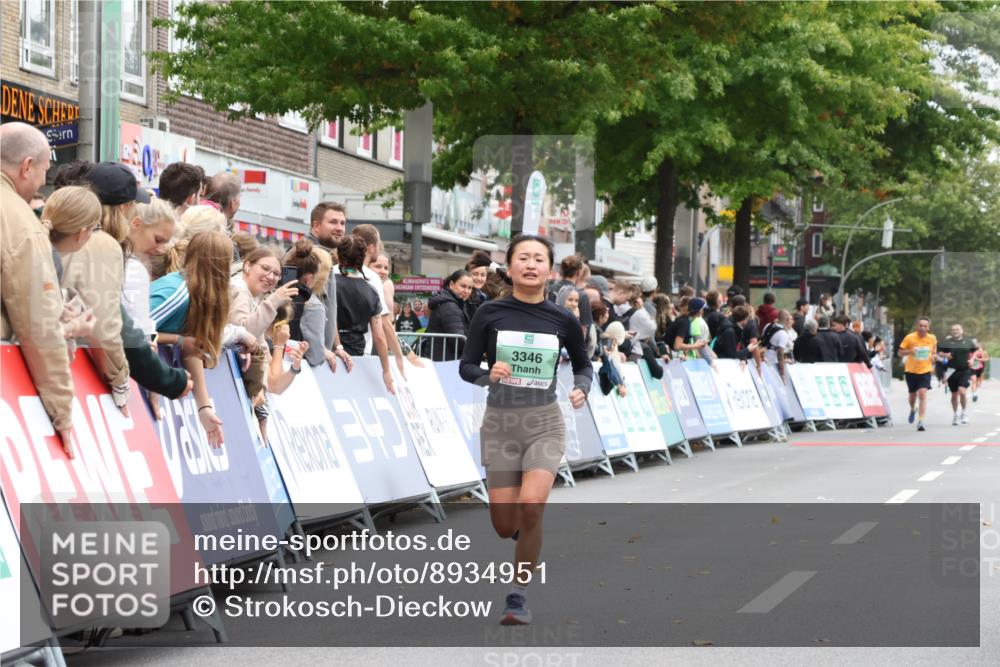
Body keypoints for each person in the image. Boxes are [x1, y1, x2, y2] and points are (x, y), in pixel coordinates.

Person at [459, 234, 591, 626]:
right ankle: (522, 536)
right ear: (511, 266)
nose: (531, 265)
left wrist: (582, 387)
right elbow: (466, 366)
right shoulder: (490, 313)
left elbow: (584, 364)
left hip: (544, 422)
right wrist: (488, 375)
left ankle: (517, 596)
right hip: (500, 423)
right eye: (523, 258)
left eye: (539, 259)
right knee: (505, 526)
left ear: (549, 269)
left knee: (532, 507)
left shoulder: (563, 318)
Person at [1, 123, 75, 455]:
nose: (43, 181)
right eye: (45, 170)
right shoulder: (18, 223)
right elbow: (39, 323)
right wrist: (62, 411)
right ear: (27, 166)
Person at [150, 231, 235, 446]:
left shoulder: (201, 294)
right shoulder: (177, 292)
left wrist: (204, 408)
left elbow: (193, 349)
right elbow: (130, 330)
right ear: (221, 265)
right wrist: (177, 340)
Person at [229, 246, 298, 410]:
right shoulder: (238, 290)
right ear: (247, 266)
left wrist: (260, 389)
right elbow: (243, 333)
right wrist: (273, 301)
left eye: (276, 274)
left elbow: (259, 345)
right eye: (265, 268)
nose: (271, 277)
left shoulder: (254, 297)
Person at [345, 224, 409, 375]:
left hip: (338, 348)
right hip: (360, 349)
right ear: (372, 247)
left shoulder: (336, 270)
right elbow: (383, 323)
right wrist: (400, 358)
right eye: (379, 245)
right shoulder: (371, 278)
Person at [334, 236, 394, 394]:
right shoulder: (371, 291)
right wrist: (386, 370)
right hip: (358, 350)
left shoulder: (330, 284)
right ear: (362, 260)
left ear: (339, 256)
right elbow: (379, 336)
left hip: (333, 349)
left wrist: (338, 346)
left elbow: (329, 319)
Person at [41, 187, 101, 340]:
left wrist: (58, 308)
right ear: (81, 234)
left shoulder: (38, 248)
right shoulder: (50, 259)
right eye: (94, 229)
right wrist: (74, 327)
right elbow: (38, 329)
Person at [305, 202, 352, 373]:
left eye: (342, 223)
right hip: (306, 359)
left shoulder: (323, 254)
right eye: (333, 222)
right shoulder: (308, 254)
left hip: (319, 355)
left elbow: (328, 308)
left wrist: (337, 346)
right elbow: (302, 306)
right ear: (316, 225)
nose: (340, 228)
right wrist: (320, 348)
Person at [121, 198, 177, 335]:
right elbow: (137, 329)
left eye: (164, 243)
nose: (160, 249)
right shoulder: (133, 268)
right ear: (136, 223)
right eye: (157, 240)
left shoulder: (130, 263)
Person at [424, 269, 474, 361]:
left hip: (443, 359)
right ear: (451, 284)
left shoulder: (455, 303)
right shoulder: (450, 306)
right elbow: (458, 341)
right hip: (445, 361)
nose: (467, 291)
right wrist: (478, 350)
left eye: (470, 288)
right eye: (463, 286)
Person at [898, 316, 937, 432]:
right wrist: (910, 351)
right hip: (911, 370)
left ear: (928, 328)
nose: (922, 328)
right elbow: (900, 353)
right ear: (917, 326)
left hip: (925, 370)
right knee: (912, 396)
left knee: (922, 393)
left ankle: (920, 421)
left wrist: (934, 357)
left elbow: (934, 352)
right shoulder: (910, 338)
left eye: (925, 326)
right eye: (920, 325)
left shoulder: (932, 338)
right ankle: (913, 409)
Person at [938, 324, 976, 425]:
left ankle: (964, 413)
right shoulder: (947, 342)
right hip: (951, 371)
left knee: (962, 391)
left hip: (964, 370)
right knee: (954, 395)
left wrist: (972, 359)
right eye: (953, 330)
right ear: (951, 332)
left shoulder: (968, 341)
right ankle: (955, 415)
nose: (955, 331)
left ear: (962, 331)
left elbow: (975, 351)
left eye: (957, 329)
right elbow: (939, 353)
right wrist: (946, 355)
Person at [763, 309, 793, 378]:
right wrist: (782, 373)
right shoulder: (783, 334)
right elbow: (780, 354)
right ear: (787, 320)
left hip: (763, 358)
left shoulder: (768, 325)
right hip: (771, 362)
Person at [465, 250, 493, 319]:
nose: (479, 278)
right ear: (467, 273)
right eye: (475, 274)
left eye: (483, 275)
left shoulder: (485, 296)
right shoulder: (463, 296)